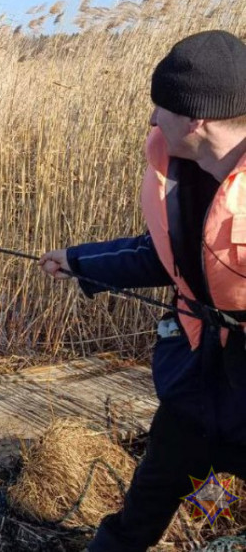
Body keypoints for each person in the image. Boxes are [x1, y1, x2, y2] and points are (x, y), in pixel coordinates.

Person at [39, 29, 246, 551]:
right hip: (194, 380)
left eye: (162, 108)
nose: (153, 120)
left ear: (196, 119)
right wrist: (78, 261)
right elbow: (164, 255)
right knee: (141, 511)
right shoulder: (186, 172)